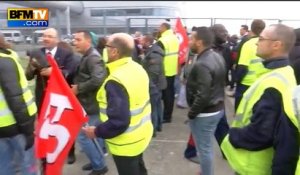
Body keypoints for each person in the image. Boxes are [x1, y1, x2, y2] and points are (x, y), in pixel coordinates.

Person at [221, 24, 299, 175]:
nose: (256, 42)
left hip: (252, 166)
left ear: (276, 45)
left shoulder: (273, 84)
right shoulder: (285, 72)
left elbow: (261, 134)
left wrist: (233, 135)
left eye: (261, 39)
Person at [82, 33, 153, 175]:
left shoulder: (115, 80)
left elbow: (119, 121)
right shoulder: (137, 68)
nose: (103, 49)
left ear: (114, 51)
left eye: (106, 46)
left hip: (125, 143)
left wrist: (96, 132)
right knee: (139, 168)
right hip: (141, 136)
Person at [25, 28, 77, 167]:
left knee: (64, 124)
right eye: (44, 36)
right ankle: (46, 153)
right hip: (43, 96)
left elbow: (70, 72)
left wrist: (55, 72)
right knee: (45, 126)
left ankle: (70, 151)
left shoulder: (66, 53)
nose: (46, 38)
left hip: (60, 96)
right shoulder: (37, 52)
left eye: (50, 36)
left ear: (57, 40)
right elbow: (28, 76)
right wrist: (31, 67)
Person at [186, 27, 226, 175]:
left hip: (206, 113)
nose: (189, 42)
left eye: (191, 39)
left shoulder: (202, 63)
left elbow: (203, 95)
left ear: (199, 42)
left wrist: (192, 113)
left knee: (204, 149)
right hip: (217, 108)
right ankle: (205, 171)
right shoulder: (216, 56)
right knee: (206, 146)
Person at [0, 32, 38, 174]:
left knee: (4, 166)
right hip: (15, 125)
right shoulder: (5, 61)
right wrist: (28, 130)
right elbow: (15, 97)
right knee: (27, 165)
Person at [72, 30, 108, 175]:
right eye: (74, 39)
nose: (75, 42)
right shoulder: (87, 56)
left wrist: (79, 88)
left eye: (78, 39)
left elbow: (98, 79)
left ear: (88, 41)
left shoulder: (93, 57)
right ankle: (97, 162)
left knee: (84, 136)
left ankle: (99, 166)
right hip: (88, 103)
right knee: (94, 136)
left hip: (91, 105)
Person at [235, 19, 267, 110]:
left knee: (241, 111)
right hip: (262, 83)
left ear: (251, 28)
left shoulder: (248, 44)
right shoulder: (267, 43)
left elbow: (242, 67)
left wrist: (237, 80)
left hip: (246, 84)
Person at [140, 33, 167, 136]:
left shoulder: (154, 54)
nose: (140, 42)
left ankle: (153, 130)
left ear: (147, 42)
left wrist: (151, 86)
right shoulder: (153, 51)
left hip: (154, 85)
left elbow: (153, 73)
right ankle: (158, 125)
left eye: (142, 41)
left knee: (153, 108)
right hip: (157, 85)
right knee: (157, 106)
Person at [157, 22, 180, 123]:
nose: (158, 28)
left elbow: (157, 56)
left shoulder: (162, 40)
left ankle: (166, 116)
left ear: (164, 28)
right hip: (172, 69)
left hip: (164, 70)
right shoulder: (175, 38)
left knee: (166, 95)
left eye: (160, 27)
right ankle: (168, 115)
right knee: (170, 93)